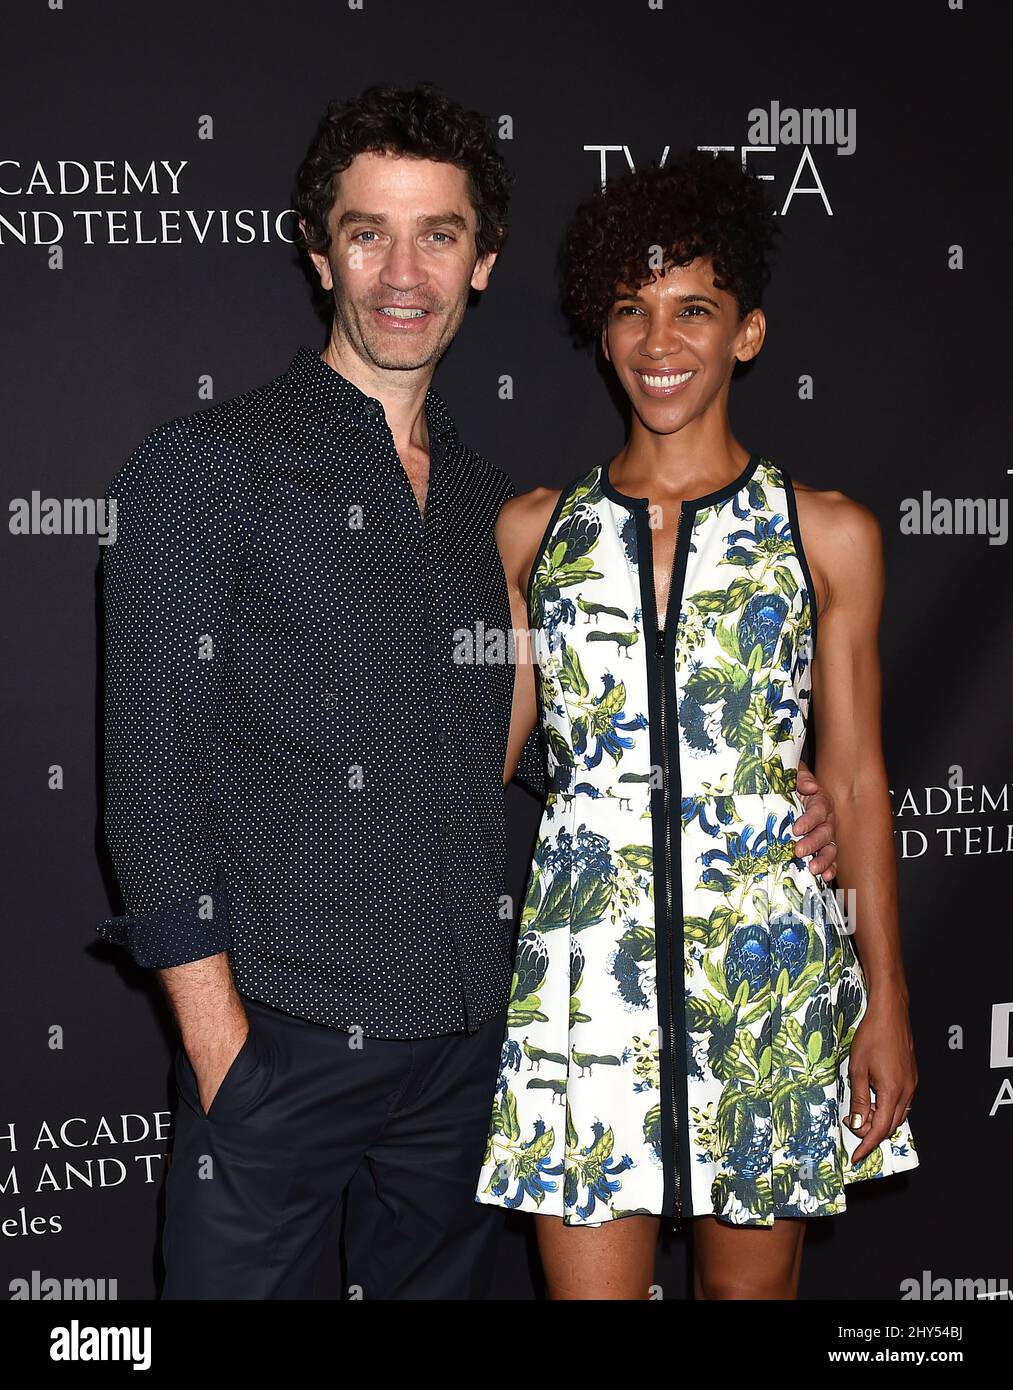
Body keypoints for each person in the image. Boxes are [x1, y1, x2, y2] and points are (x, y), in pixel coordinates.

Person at [96, 85, 838, 1300]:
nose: (403, 271)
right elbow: (148, 779)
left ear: (481, 262)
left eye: (437, 234)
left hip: (468, 1053)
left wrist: (762, 788)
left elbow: (552, 744)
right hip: (278, 1036)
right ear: (315, 243)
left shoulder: (500, 509)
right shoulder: (204, 468)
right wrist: (218, 1044)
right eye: (368, 231)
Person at [475, 150, 918, 1300]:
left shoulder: (824, 534)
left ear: (746, 333)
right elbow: (490, 756)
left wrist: (884, 1000)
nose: (657, 342)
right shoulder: (531, 532)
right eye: (630, 309)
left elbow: (857, 779)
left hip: (762, 977)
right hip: (581, 976)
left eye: (691, 310)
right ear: (600, 327)